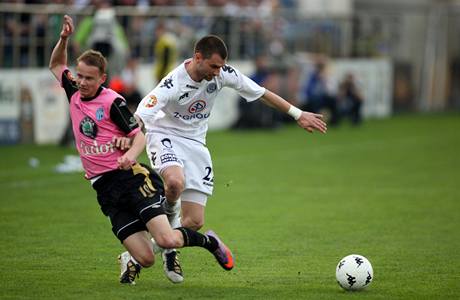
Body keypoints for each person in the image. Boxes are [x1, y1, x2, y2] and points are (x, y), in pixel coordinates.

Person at [49, 15, 234, 285]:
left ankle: (209, 242)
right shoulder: (74, 91)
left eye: (90, 78)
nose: (83, 82)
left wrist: (128, 156)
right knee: (146, 257)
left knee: (168, 238)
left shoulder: (113, 102)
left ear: (102, 78)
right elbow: (56, 64)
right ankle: (138, 257)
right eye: (80, 76)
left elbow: (139, 137)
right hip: (104, 189)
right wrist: (64, 38)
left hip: (132, 179)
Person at [134, 35, 327, 283]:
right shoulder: (172, 83)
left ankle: (156, 249)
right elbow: (140, 116)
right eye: (213, 67)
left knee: (194, 222)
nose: (217, 73)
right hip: (165, 135)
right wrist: (124, 144)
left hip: (196, 144)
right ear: (197, 58)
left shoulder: (224, 73)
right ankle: (170, 250)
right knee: (174, 182)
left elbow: (262, 93)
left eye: (220, 67)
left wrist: (297, 114)